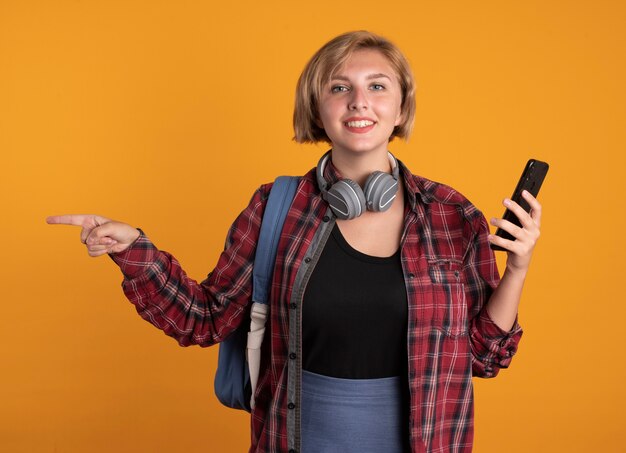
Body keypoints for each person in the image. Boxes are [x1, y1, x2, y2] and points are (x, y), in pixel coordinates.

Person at [47, 31, 542, 453]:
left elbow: (483, 356)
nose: (359, 101)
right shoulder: (276, 208)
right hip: (297, 437)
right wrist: (132, 249)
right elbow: (205, 318)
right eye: (339, 87)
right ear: (317, 108)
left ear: (400, 107)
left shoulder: (452, 215)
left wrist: (517, 268)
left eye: (377, 85)